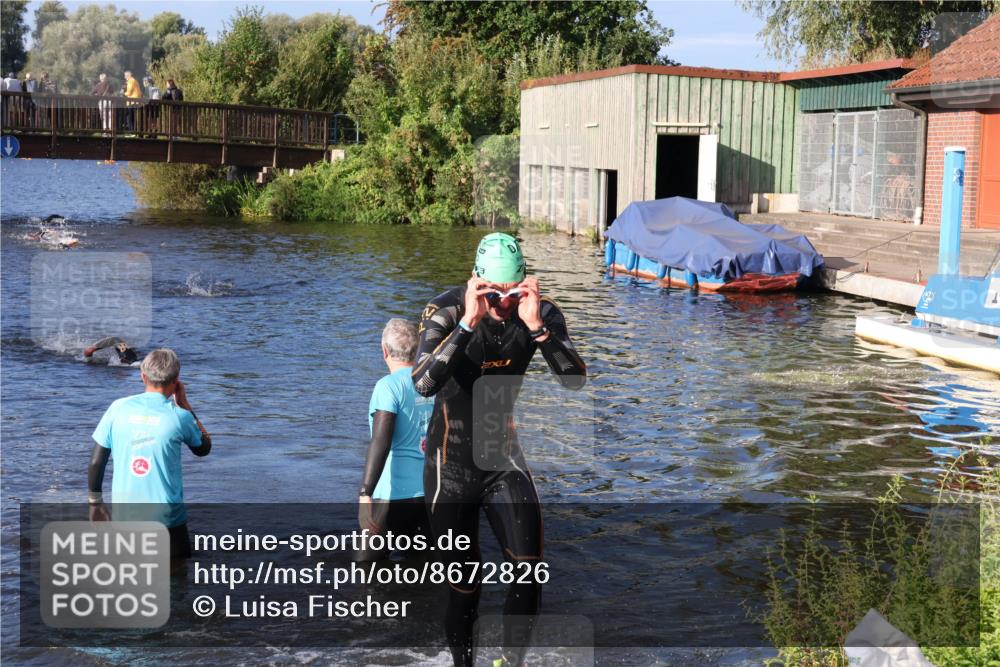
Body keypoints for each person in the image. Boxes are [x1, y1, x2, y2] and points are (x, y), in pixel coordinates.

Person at [412, 233, 587, 667]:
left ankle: (511, 664)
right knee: (464, 585)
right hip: (449, 465)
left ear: (525, 285)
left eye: (511, 294)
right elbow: (422, 383)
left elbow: (575, 379)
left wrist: (537, 329)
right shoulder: (446, 310)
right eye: (493, 294)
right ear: (476, 282)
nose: (502, 304)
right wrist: (467, 324)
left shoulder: (538, 312)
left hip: (502, 457)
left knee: (529, 572)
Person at [88, 348, 212, 560]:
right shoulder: (180, 417)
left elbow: (96, 463)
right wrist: (185, 405)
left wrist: (95, 503)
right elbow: (204, 448)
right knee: (177, 583)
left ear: (143, 376)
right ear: (176, 380)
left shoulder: (117, 408)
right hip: (168, 522)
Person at [356, 319, 434, 562]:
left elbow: (381, 440)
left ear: (384, 350)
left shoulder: (387, 386)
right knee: (425, 573)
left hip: (391, 496)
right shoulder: (434, 382)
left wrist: (365, 493)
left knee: (365, 568)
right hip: (432, 493)